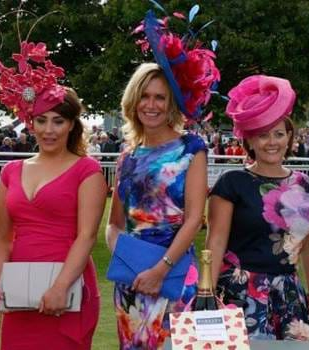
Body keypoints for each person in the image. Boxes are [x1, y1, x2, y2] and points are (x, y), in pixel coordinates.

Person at [108, 9, 218, 346]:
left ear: (171, 103)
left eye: (160, 97)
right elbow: (114, 223)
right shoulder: (127, 156)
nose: (151, 105)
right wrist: (127, 261)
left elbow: (194, 219)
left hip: (174, 280)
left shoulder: (191, 149)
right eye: (145, 96)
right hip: (131, 286)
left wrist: (159, 269)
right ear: (133, 99)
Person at [0, 40, 105, 348]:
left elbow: (87, 236)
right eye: (41, 120)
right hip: (18, 293)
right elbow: (1, 237)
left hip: (67, 287)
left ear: (71, 125)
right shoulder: (11, 172)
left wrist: (61, 287)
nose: (49, 130)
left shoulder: (87, 170)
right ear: (30, 122)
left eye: (58, 121)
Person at [207, 75, 309, 341]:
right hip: (239, 295)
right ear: (250, 140)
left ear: (289, 137)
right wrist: (207, 296)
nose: (272, 142)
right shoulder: (232, 183)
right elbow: (216, 240)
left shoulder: (304, 185)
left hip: (290, 297)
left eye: (279, 134)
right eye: (263, 135)